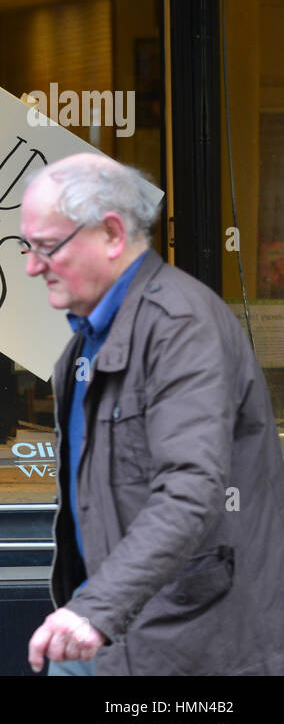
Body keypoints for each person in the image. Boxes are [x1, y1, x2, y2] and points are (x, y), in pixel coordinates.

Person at [21, 152, 284, 675]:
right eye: (28, 248)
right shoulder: (87, 341)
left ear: (112, 235)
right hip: (111, 627)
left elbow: (189, 489)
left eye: (48, 247)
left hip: (182, 640)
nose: (32, 266)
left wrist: (95, 610)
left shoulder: (179, 326)